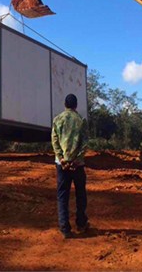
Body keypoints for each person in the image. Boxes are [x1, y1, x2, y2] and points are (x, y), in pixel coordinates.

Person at [51, 93, 89, 239]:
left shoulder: (57, 120)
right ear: (76, 105)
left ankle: (65, 229)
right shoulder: (81, 121)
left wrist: (61, 159)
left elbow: (54, 141)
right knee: (80, 194)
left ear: (65, 105)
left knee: (62, 195)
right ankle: (81, 223)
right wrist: (76, 159)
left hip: (61, 165)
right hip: (77, 165)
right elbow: (85, 143)